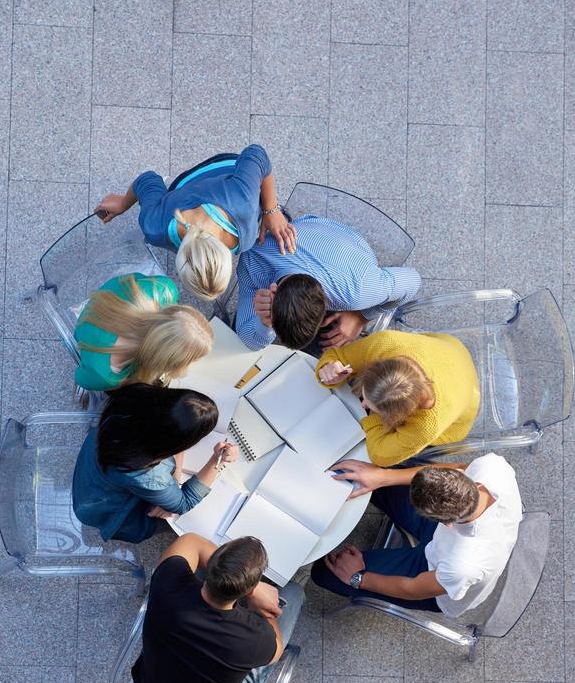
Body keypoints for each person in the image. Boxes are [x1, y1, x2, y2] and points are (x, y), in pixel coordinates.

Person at [132, 532, 305, 683]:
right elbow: (275, 653)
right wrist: (265, 611)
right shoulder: (254, 638)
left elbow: (191, 541)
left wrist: (254, 588)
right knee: (294, 593)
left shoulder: (167, 581)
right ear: (247, 591)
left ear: (211, 565)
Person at [311, 455, 523, 617]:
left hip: (432, 573)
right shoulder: (494, 468)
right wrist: (384, 477)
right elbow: (458, 468)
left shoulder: (462, 566)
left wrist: (358, 577)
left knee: (323, 573)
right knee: (376, 473)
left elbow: (412, 589)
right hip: (447, 541)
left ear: (445, 523)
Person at [95, 146, 296, 301]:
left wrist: (272, 210)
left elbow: (257, 154)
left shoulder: (245, 219)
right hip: (214, 176)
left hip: (231, 173)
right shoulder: (154, 226)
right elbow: (147, 180)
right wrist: (122, 203)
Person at [72, 384, 239, 544]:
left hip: (91, 481)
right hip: (109, 513)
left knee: (165, 504)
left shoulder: (132, 402)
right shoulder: (147, 476)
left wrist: (169, 486)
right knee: (167, 516)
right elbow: (183, 503)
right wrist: (218, 460)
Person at [234, 214, 421, 351]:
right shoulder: (251, 262)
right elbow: (246, 339)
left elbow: (413, 281)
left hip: (352, 251)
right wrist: (264, 322)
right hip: (310, 229)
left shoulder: (357, 291)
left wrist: (362, 316)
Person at [316, 329, 480, 466]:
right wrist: (329, 368)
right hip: (450, 350)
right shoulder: (385, 342)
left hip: (462, 408)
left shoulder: (427, 425)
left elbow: (379, 455)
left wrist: (372, 419)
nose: (362, 404)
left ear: (397, 416)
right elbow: (338, 356)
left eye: (371, 408)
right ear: (374, 366)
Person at [74, 271, 213, 392]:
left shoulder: (163, 289)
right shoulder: (107, 375)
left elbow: (137, 277)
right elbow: (80, 377)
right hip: (85, 329)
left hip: (103, 301)